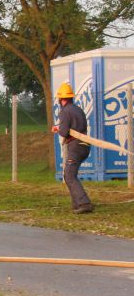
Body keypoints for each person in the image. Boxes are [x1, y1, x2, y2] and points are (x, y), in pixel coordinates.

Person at [51, 82, 93, 214]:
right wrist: (61, 128)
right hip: (85, 146)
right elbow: (74, 127)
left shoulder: (64, 112)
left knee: (69, 175)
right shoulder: (78, 110)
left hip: (75, 147)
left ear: (61, 99)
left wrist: (57, 129)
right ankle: (76, 204)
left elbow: (64, 132)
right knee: (70, 174)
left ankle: (84, 203)